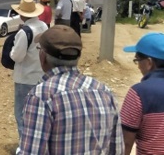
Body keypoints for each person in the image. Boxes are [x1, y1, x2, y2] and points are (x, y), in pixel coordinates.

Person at [19, 25, 123, 154]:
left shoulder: (42, 96)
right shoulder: (104, 91)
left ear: (43, 56)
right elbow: (117, 149)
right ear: (77, 57)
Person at [120, 32, 164, 154]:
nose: (138, 66)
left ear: (149, 62)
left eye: (138, 60)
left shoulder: (138, 93)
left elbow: (125, 142)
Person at [9, 0, 48, 140]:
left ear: (21, 14)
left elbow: (17, 56)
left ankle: (26, 147)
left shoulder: (24, 32)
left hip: (25, 78)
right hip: (41, 75)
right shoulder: (43, 26)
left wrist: (12, 49)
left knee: (22, 114)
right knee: (38, 114)